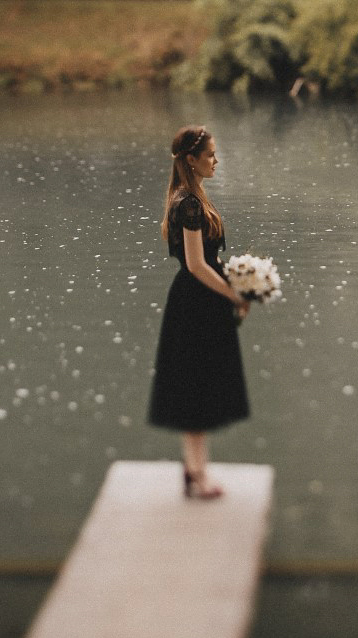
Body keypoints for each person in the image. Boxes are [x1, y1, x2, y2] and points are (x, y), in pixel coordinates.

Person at [148, 125, 250, 499]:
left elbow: (209, 259)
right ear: (192, 159)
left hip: (200, 300)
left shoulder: (192, 195)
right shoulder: (188, 203)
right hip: (195, 303)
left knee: (200, 388)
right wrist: (232, 296)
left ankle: (195, 471)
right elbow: (195, 264)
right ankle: (197, 475)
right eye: (209, 155)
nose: (215, 160)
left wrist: (239, 283)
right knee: (194, 391)